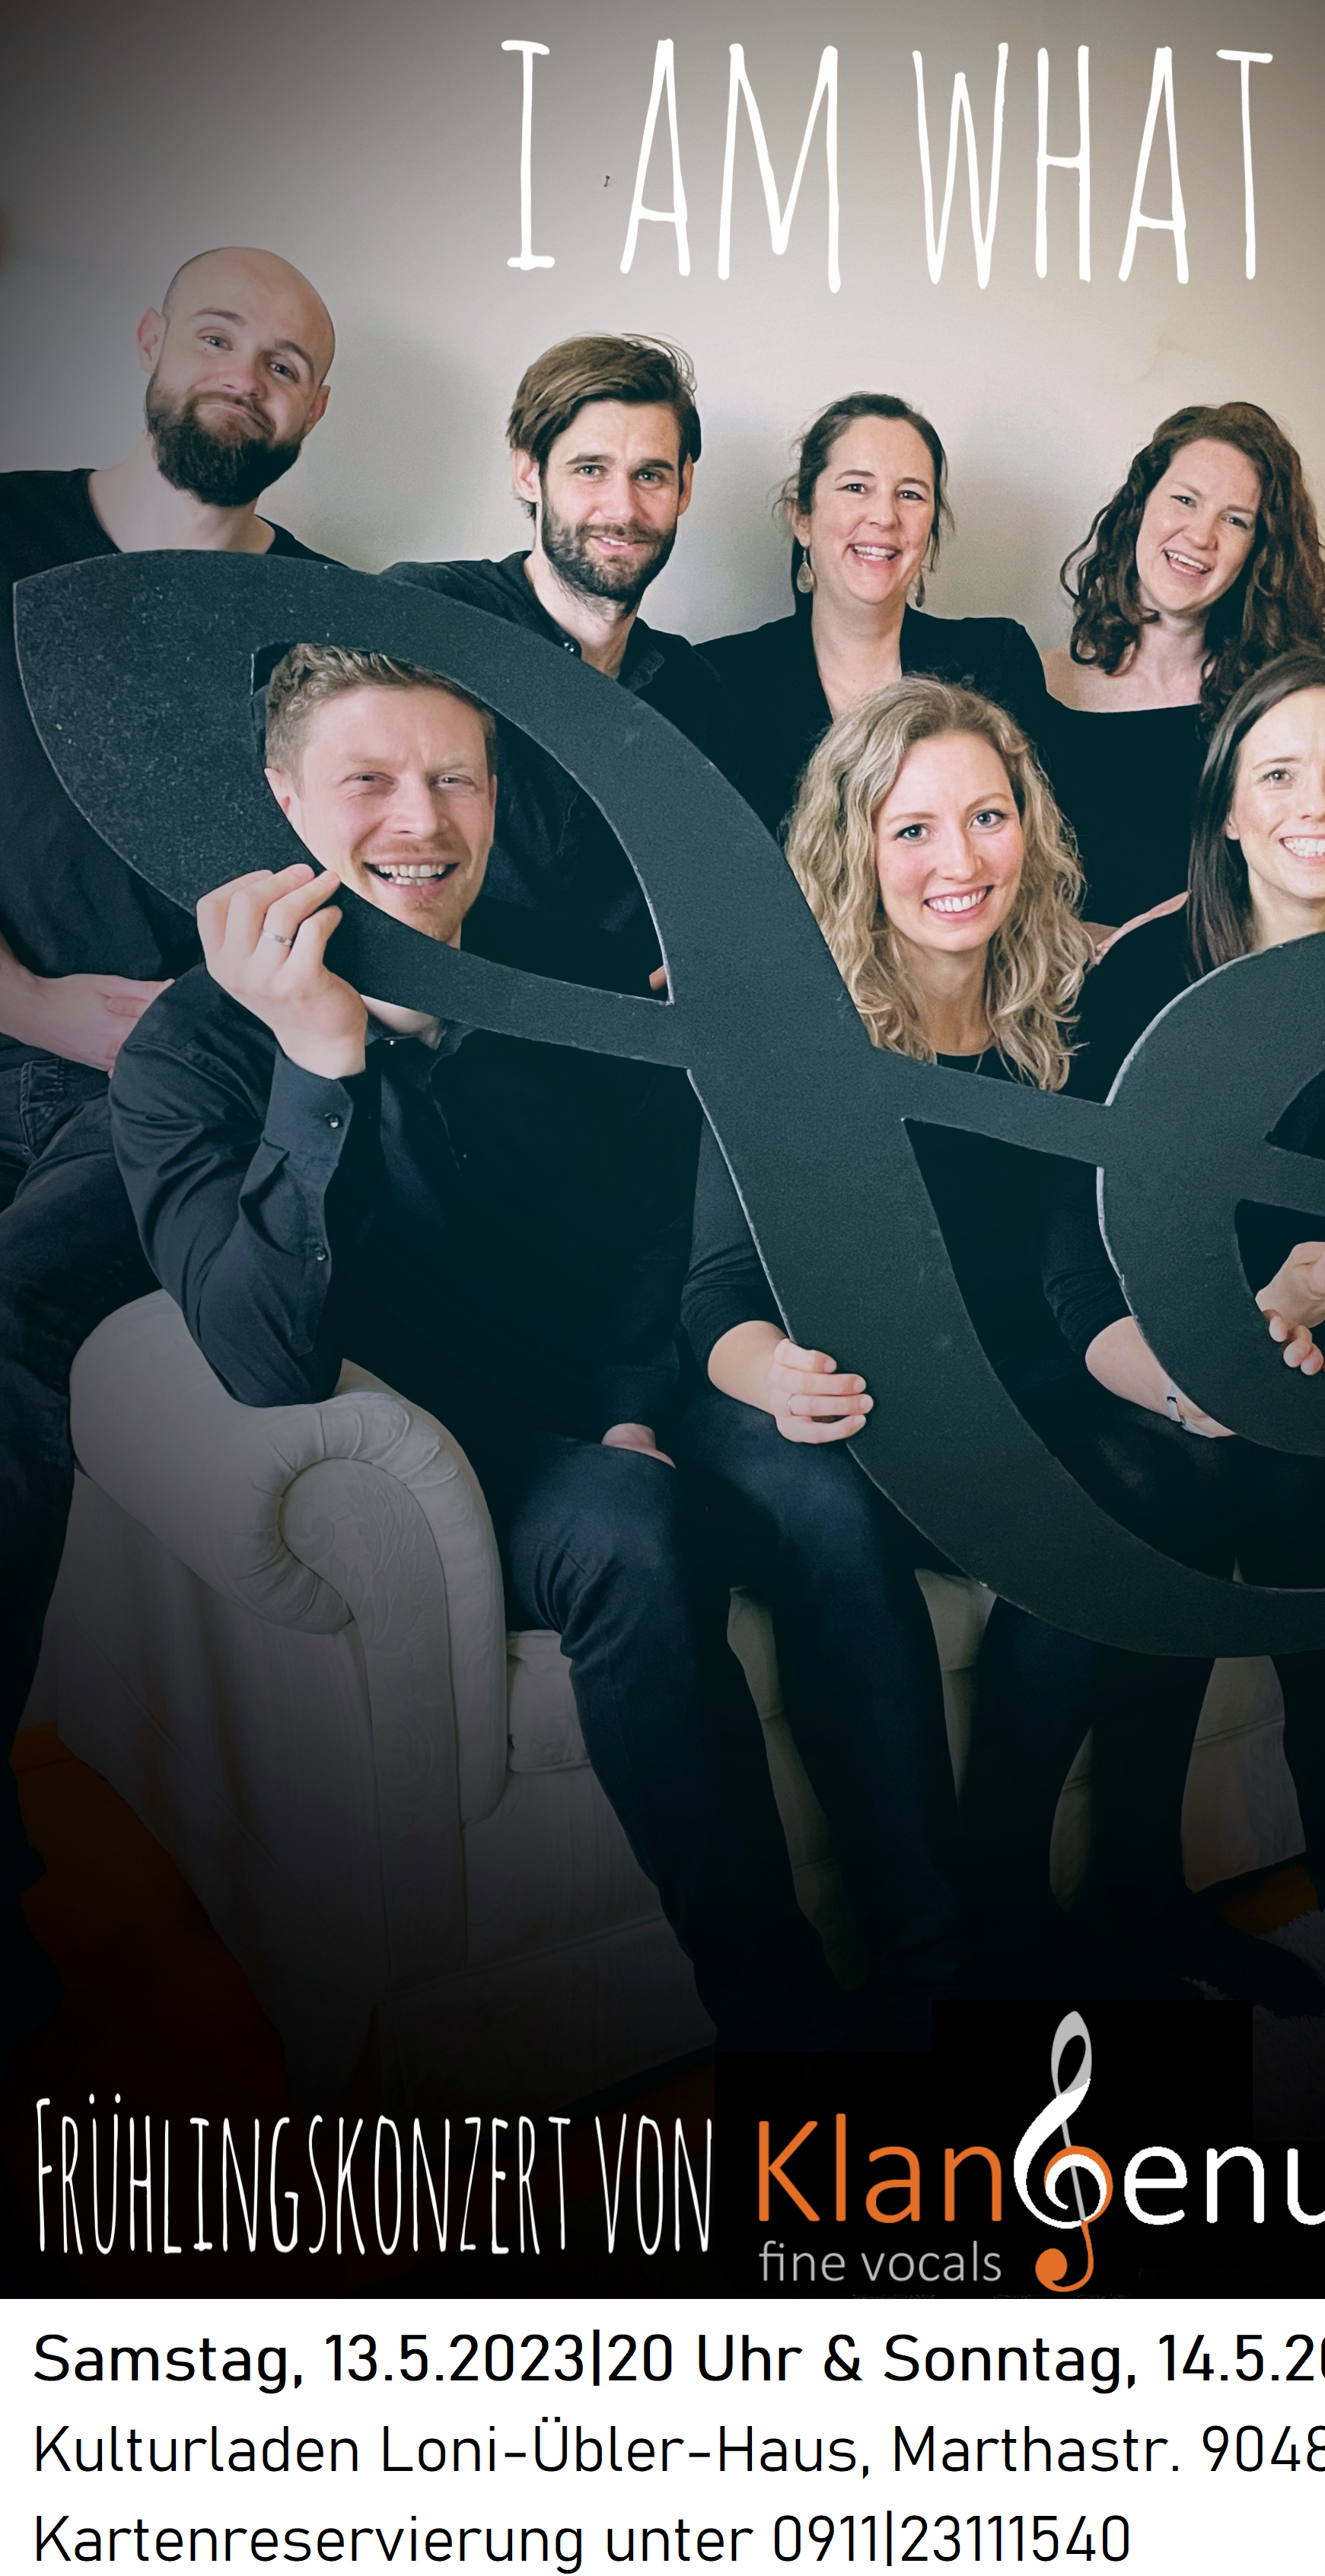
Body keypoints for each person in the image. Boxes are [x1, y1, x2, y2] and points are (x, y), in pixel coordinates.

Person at [107, 642, 846, 2050]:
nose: (421, 821)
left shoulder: (557, 979)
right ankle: (784, 2020)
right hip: (457, 1462)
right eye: (369, 781)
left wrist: (633, 1404)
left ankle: (941, 1943)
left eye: (456, 779)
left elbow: (653, 1218)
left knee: (826, 1479)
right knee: (627, 1527)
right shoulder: (185, 1056)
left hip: (624, 1390)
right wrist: (319, 1061)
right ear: (283, 797)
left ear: (498, 799)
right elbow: (264, 1360)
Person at [677, 676, 1325, 2023]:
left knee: (1188, 1473)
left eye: (988, 817)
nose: (960, 858)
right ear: (856, 846)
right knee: (924, 1505)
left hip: (1017, 1379)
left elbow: (1075, 1277)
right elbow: (717, 1294)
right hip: (837, 1400)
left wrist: (1188, 1384)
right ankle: (980, 1932)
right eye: (914, 828)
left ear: (1028, 828)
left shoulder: (1065, 1010)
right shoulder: (785, 1027)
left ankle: (1132, 1886)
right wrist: (772, 1373)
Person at [1015, 648, 1325, 1980]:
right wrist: (1259, 1313)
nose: (1319, 804)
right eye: (1281, 773)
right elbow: (1083, 1252)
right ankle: (1322, 1753)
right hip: (1198, 1338)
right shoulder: (1145, 979)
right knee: (1282, 1424)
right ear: (1230, 812)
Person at [0, 246, 336, 2047]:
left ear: (316, 407)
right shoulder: (8, 541)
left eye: (287, 363)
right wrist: (33, 1002)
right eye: (220, 337)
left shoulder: (326, 621)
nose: (246, 378)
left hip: (163, 1107)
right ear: (150, 340)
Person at [385, 334, 729, 994]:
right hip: (427, 1025)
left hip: (619, 1044)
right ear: (528, 473)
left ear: (684, 486)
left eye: (650, 475)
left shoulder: (695, 693)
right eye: (590, 469)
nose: (622, 509)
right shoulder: (426, 613)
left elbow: (711, 900)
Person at [1042, 401, 1325, 931]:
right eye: (1185, 500)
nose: (1201, 535)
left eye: (1235, 520)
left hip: (1214, 974)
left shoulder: (1286, 705)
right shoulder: (1031, 680)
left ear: (1258, 551)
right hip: (1048, 975)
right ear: (1140, 506)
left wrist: (1156, 931)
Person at [701, 393, 1049, 843]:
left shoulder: (995, 660)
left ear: (930, 531)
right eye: (856, 487)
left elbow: (1031, 844)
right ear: (802, 518)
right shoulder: (714, 679)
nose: (885, 517)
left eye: (910, 494)